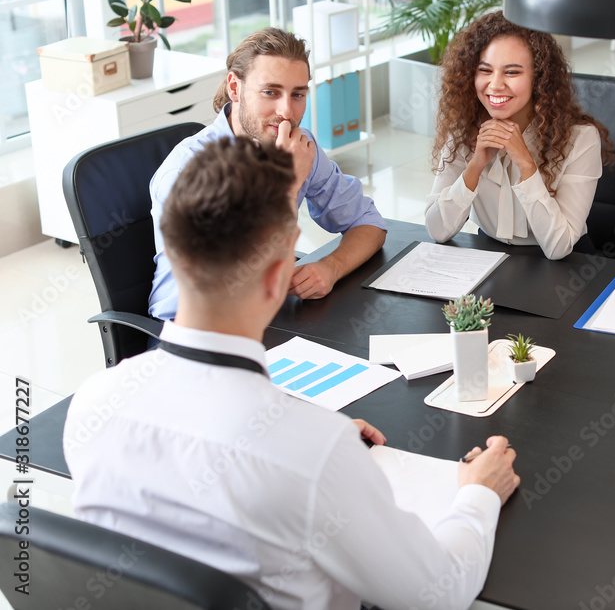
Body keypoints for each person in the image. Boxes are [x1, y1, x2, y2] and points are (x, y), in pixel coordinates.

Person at [64, 136, 520, 610]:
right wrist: (479, 494)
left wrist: (313, 441)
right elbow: (437, 595)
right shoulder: (313, 454)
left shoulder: (93, 403)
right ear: (277, 276)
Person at [148, 27, 386, 321]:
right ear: (234, 88)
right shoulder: (187, 172)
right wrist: (287, 184)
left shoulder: (298, 146)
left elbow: (368, 221)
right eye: (270, 92)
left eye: (297, 94)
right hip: (190, 332)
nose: (286, 111)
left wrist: (331, 267)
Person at [424, 11, 612, 260]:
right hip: (490, 257)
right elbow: (437, 231)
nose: (495, 84)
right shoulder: (463, 131)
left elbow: (559, 247)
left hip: (566, 265)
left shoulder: (581, 138)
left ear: (539, 78)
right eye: (485, 70)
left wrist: (526, 164)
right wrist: (475, 166)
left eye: (512, 72)